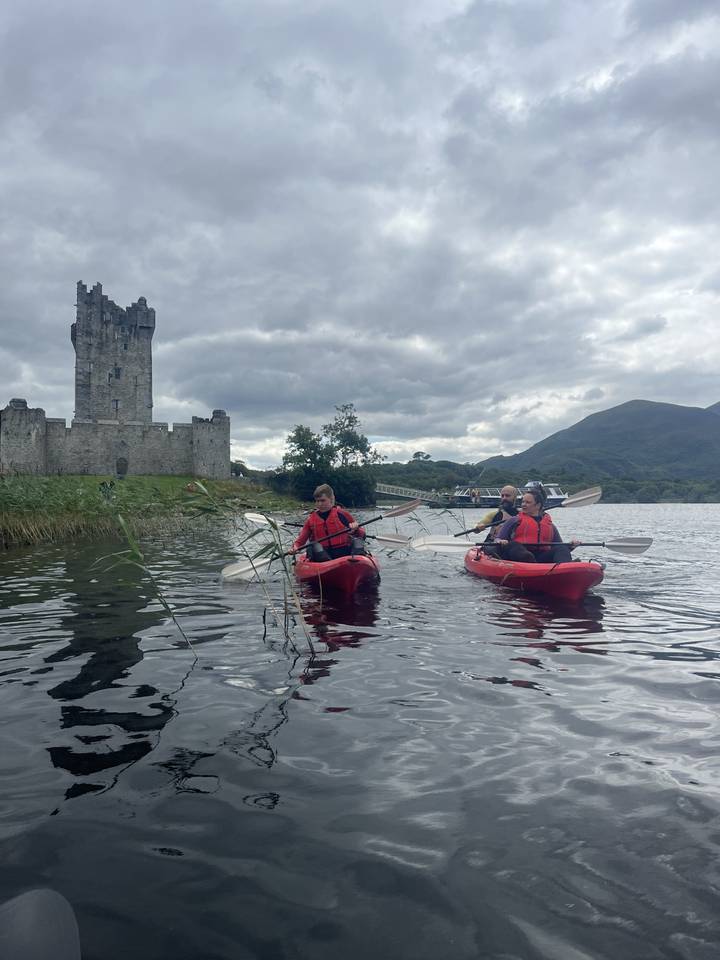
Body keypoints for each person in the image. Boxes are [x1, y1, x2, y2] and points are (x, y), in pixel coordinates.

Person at [494, 487, 578, 563]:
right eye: (523, 502)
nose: (523, 504)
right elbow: (498, 538)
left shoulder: (550, 525)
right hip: (520, 557)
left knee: (561, 548)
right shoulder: (514, 520)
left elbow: (559, 546)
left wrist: (570, 546)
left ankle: (564, 567)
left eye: (528, 502)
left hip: (541, 558)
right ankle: (532, 564)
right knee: (513, 545)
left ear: (538, 505)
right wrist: (500, 541)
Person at [292, 484, 367, 562]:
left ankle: (357, 562)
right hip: (322, 554)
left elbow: (362, 535)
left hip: (343, 551)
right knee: (314, 545)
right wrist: (295, 547)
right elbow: (300, 541)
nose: (320, 504)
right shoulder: (311, 519)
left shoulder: (342, 514)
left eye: (323, 500)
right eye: (317, 501)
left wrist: (356, 529)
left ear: (331, 499)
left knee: (358, 541)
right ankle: (327, 565)